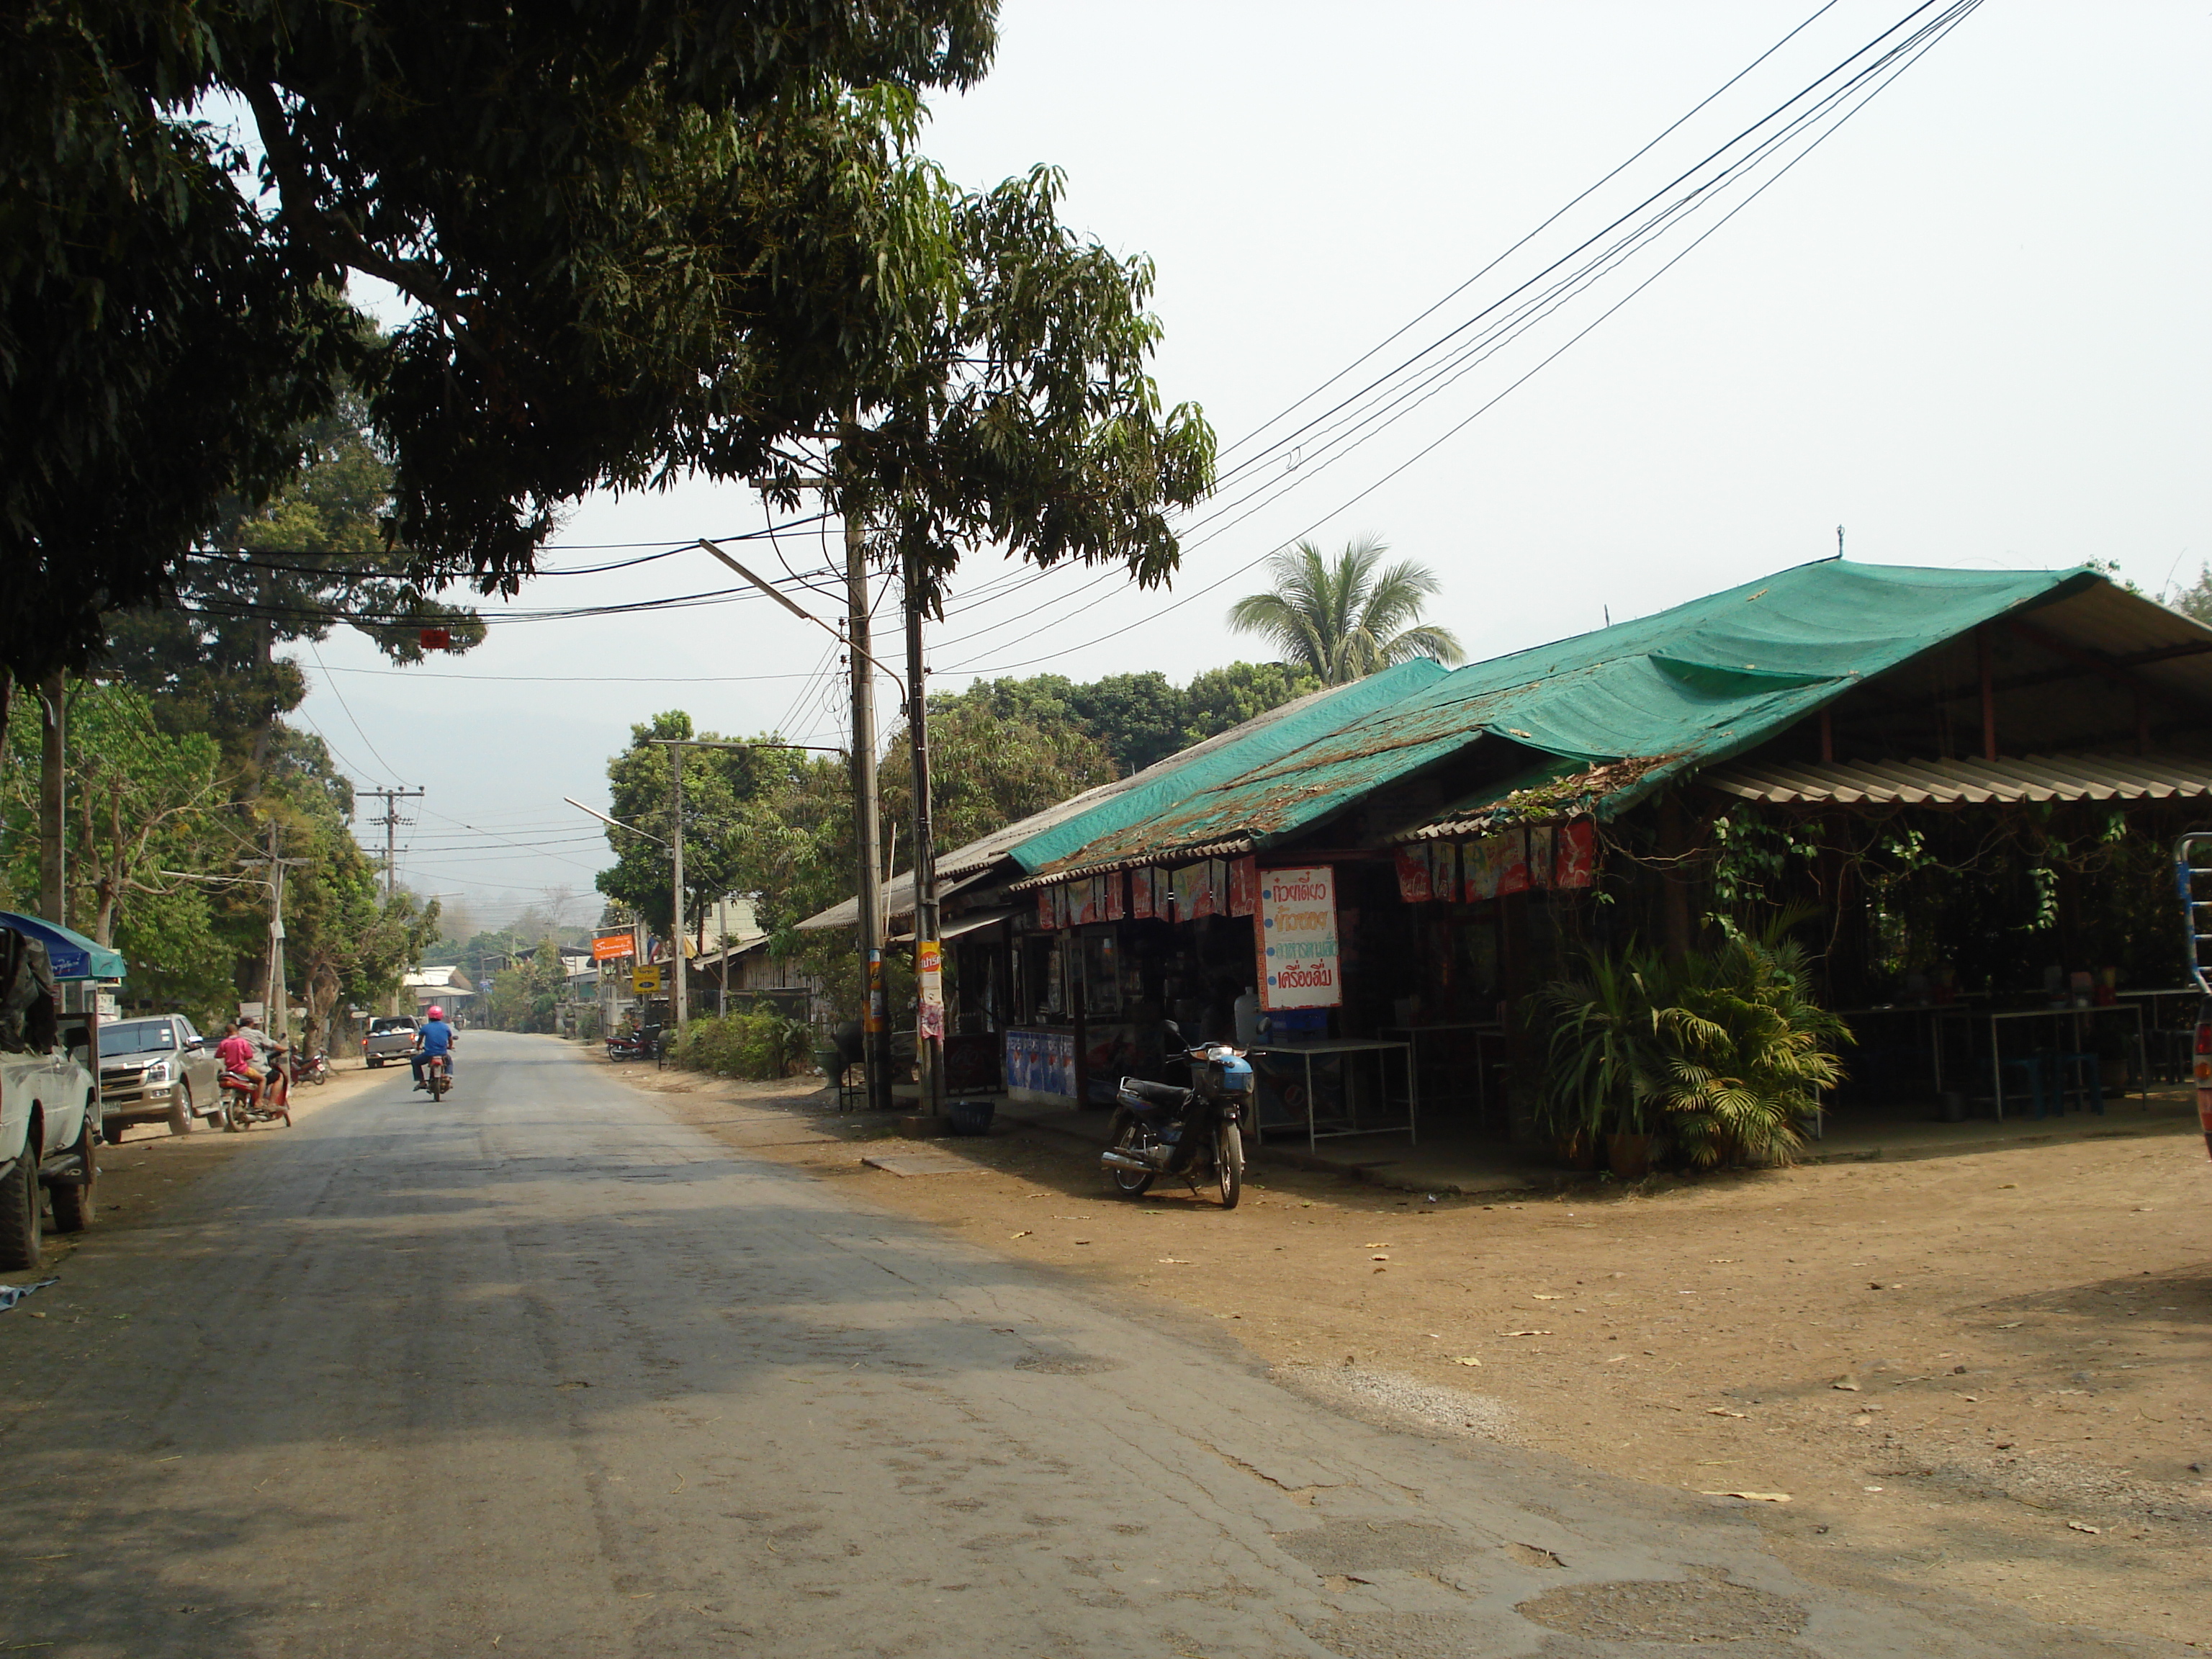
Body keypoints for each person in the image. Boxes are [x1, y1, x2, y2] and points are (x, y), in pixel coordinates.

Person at [237, 1015, 290, 1110]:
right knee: (279, 1077)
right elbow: (273, 1045)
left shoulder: (235, 1035)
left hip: (238, 1068)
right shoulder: (256, 1034)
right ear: (252, 1024)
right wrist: (285, 1049)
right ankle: (270, 1103)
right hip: (255, 1066)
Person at [214, 1020, 264, 1107]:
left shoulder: (224, 1043)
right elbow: (249, 1055)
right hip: (242, 1070)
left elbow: (218, 1055)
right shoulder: (242, 1042)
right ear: (237, 1032)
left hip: (230, 1071)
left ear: (226, 1033)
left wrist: (226, 1055)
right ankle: (259, 1101)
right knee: (262, 1079)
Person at [411, 1005, 457, 1091]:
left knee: (415, 1061)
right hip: (442, 1054)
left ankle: (422, 1081)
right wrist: (450, 1047)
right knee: (449, 1061)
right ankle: (448, 1075)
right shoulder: (445, 1027)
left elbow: (420, 1040)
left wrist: (418, 1047)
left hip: (428, 1054)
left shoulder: (425, 1027)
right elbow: (450, 1040)